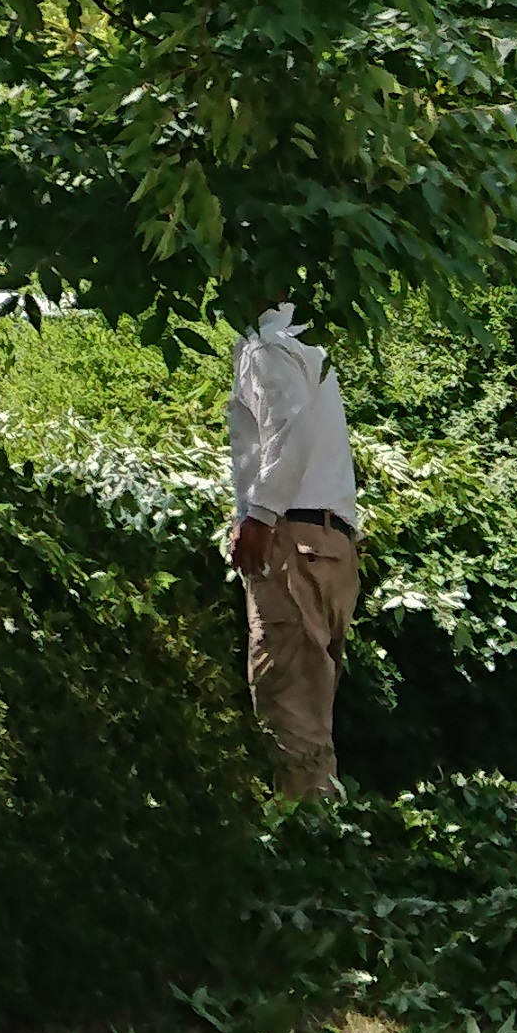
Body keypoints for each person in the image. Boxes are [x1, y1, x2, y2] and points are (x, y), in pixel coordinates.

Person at [226, 298, 362, 799]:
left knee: (291, 718)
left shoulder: (263, 346)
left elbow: (290, 432)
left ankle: (310, 858)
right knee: (311, 719)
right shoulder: (308, 346)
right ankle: (326, 841)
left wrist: (258, 517)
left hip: (292, 543)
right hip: (331, 546)